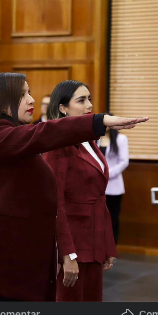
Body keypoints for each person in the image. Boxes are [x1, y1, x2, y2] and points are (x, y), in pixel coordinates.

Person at [0, 72, 148, 302]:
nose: (31, 100)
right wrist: (98, 121)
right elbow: (45, 132)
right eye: (23, 95)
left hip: (17, 268)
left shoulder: (12, 138)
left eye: (29, 93)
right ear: (2, 103)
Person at [43, 80, 120, 302]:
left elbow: (98, 198)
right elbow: (55, 203)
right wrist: (67, 254)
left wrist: (106, 243)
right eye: (81, 100)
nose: (89, 105)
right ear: (62, 108)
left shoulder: (88, 140)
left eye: (90, 99)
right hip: (74, 244)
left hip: (94, 239)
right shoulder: (58, 144)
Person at [97, 117, 129, 245]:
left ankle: (112, 247)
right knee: (98, 219)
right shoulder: (96, 138)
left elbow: (124, 162)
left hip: (114, 186)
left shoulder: (121, 139)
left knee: (112, 218)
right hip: (97, 186)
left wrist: (107, 173)